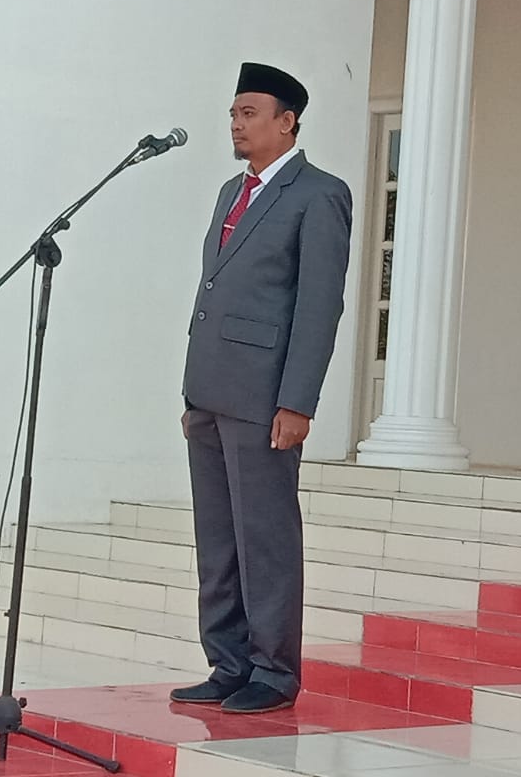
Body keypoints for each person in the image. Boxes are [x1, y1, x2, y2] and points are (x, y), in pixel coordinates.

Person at [173, 62, 353, 714]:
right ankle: (227, 662)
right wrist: (194, 391)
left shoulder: (319, 194)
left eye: (249, 113)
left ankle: (273, 672)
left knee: (265, 538)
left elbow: (318, 305)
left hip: (264, 396)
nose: (236, 124)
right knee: (218, 538)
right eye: (233, 113)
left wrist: (297, 400)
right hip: (209, 390)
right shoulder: (232, 191)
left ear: (287, 121)